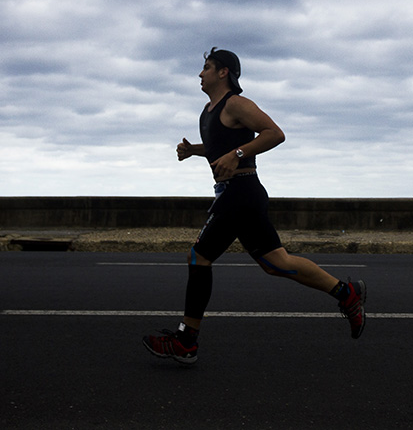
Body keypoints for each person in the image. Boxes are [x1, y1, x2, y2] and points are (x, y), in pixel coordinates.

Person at [142, 47, 365, 365]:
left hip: (241, 192)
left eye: (206, 67)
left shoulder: (237, 104)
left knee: (199, 256)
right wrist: (195, 150)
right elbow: (222, 147)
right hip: (238, 194)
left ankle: (187, 341)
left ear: (223, 72)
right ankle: (347, 293)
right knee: (277, 263)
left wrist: (238, 155)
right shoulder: (208, 110)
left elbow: (275, 133)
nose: (199, 73)